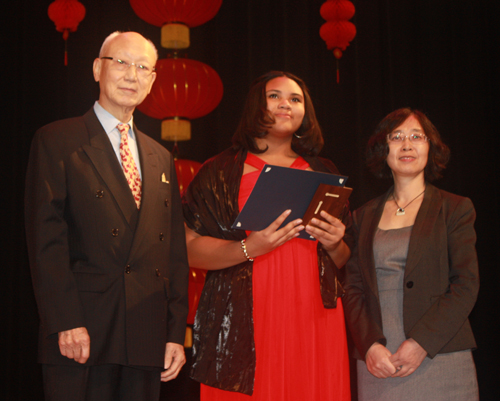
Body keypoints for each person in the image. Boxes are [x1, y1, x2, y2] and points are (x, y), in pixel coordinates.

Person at [25, 31, 189, 401]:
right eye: (122, 62)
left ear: (152, 81)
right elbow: (46, 241)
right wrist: (65, 320)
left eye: (143, 67)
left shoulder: (159, 156)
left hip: (146, 332)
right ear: (98, 68)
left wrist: (174, 333)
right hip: (83, 329)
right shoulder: (58, 140)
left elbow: (175, 252)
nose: (132, 74)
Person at [182, 71, 352, 400]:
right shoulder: (218, 171)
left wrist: (335, 243)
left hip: (314, 311)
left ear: (306, 112)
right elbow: (189, 248)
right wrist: (249, 247)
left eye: (295, 99)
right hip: (246, 309)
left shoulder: (325, 172)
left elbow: (345, 259)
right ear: (255, 105)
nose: (285, 104)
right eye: (274, 96)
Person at [343, 108, 480, 400]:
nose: (407, 144)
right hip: (378, 361)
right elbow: (352, 288)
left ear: (430, 147)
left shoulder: (454, 208)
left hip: (439, 354)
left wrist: (421, 343)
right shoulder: (361, 216)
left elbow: (466, 284)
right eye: (397, 137)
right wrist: (368, 346)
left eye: (417, 136)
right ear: (384, 149)